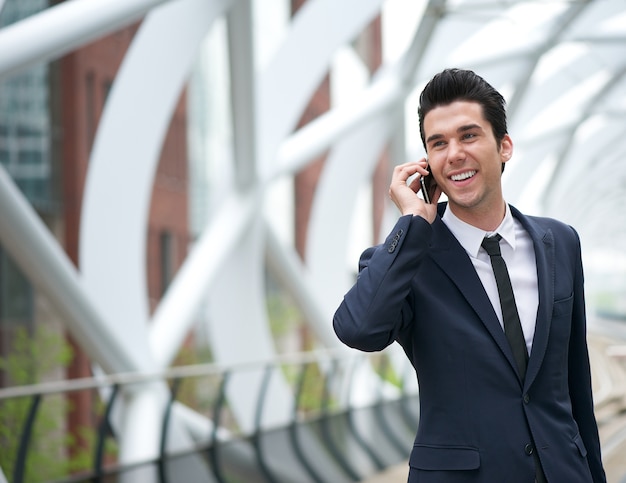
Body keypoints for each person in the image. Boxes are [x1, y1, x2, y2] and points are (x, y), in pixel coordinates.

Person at [333, 68, 606, 482]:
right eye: (438, 143)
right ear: (426, 162)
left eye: (469, 135)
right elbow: (358, 329)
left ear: (504, 147)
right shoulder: (409, 257)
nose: (454, 154)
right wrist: (411, 223)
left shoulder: (560, 242)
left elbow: (575, 386)